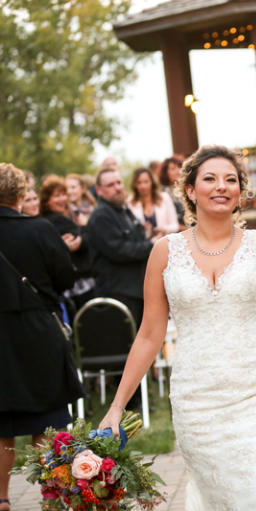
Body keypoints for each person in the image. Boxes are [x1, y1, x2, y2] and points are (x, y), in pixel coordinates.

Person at [98, 144, 256, 510]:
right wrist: (116, 406)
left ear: (241, 191)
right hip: (197, 402)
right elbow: (149, 334)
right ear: (190, 191)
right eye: (209, 178)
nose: (221, 186)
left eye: (231, 179)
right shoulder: (165, 252)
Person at [0, 163, 85, 511]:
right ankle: (50, 494)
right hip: (38, 329)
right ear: (21, 195)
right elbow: (66, 277)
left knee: (2, 420)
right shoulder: (41, 228)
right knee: (46, 417)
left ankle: (2, 497)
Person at [88, 167, 160, 329]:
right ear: (99, 190)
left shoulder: (123, 210)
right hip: (118, 293)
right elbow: (120, 250)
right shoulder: (101, 216)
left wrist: (147, 236)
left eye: (119, 182)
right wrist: (151, 244)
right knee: (129, 349)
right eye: (111, 185)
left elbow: (138, 236)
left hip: (137, 290)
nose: (118, 187)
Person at [40, 176, 96, 311]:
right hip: (79, 285)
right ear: (47, 201)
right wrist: (84, 227)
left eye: (63, 194)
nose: (62, 199)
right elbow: (83, 242)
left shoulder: (56, 218)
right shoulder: (56, 220)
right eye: (56, 196)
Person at [127, 167, 180, 237]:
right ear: (135, 184)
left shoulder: (164, 198)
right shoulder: (130, 202)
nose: (143, 186)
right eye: (139, 183)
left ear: (152, 182)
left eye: (146, 182)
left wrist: (164, 229)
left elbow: (175, 226)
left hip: (164, 242)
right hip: (142, 246)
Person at [159, 156, 186, 228]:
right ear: (166, 172)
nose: (178, 171)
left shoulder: (190, 188)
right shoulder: (162, 192)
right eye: (173, 169)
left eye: (180, 167)